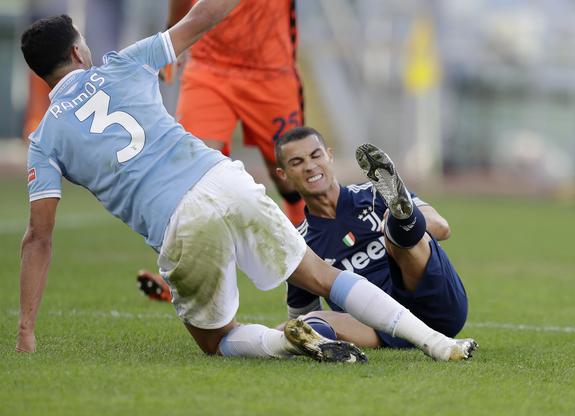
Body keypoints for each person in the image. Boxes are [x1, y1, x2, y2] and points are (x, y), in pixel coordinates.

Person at [16, 2, 477, 363]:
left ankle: (285, 345)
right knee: (323, 274)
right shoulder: (121, 64)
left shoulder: (44, 141)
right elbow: (208, 12)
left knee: (216, 340)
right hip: (223, 176)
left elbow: (38, 237)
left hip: (177, 223)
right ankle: (437, 344)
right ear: (79, 51)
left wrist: (27, 331)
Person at [136, 0, 306, 294]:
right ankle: (185, 274)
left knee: (293, 177)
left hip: (271, 72)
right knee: (195, 177)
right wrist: (170, 42)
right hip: (210, 68)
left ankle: (313, 248)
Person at [274, 127, 469, 349]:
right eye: (297, 162)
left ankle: (402, 222)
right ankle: (250, 339)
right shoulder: (300, 244)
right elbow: (302, 317)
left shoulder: (375, 193)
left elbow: (442, 228)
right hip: (382, 328)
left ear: (329, 154)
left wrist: (396, 225)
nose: (310, 166)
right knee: (302, 324)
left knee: (396, 235)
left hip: (437, 305)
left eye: (315, 155)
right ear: (283, 175)